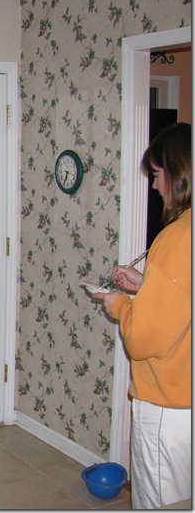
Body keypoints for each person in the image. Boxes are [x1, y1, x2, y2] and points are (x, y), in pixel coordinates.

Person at [91, 122, 191, 509]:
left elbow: (143, 338)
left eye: (158, 174)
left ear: (178, 173)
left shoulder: (176, 238)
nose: (155, 186)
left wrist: (119, 303)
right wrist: (145, 285)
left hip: (169, 406)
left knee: (159, 502)